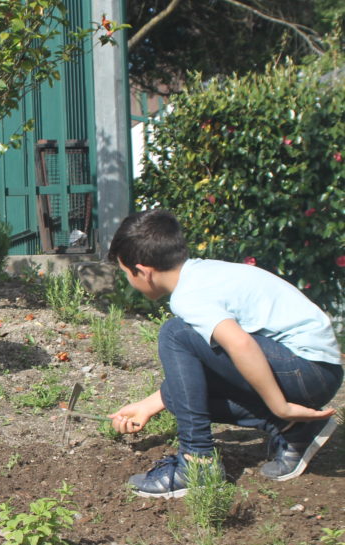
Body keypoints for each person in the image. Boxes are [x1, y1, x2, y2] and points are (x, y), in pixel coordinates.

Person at [107, 210, 341, 497]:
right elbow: (200, 373)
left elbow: (240, 345)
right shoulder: (201, 273)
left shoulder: (189, 296)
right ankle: (293, 429)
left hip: (306, 370)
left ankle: (198, 462)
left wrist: (280, 404)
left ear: (142, 271)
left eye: (125, 273)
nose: (128, 281)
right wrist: (150, 404)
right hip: (316, 370)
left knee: (175, 333)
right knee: (183, 387)